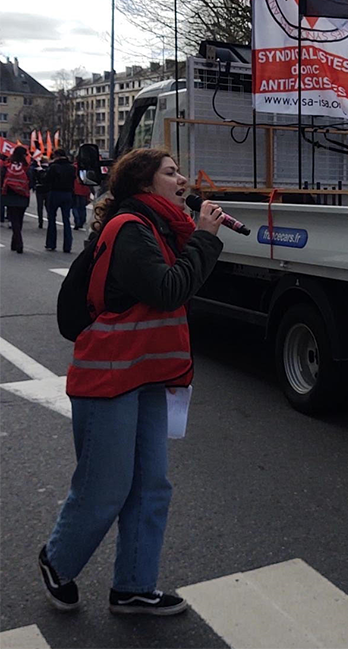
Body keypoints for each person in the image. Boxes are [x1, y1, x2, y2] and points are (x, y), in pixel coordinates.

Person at [39, 148, 225, 615]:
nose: (181, 179)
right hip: (110, 377)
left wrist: (199, 238)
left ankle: (134, 586)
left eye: (179, 172)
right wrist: (204, 238)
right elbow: (167, 290)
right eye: (170, 173)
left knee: (150, 485)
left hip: (146, 373)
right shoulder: (131, 228)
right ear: (144, 184)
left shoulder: (162, 228)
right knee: (104, 486)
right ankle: (57, 560)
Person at [0, 146, 31, 253]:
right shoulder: (26, 166)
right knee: (20, 219)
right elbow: (31, 178)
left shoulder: (7, 164)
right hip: (23, 194)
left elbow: (2, 176)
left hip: (10, 194)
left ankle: (17, 242)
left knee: (14, 220)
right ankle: (16, 242)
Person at [45, 148, 76, 253]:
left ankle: (51, 243)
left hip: (55, 193)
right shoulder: (72, 168)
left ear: (56, 156)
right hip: (67, 194)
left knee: (52, 219)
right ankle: (67, 245)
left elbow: (46, 179)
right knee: (66, 220)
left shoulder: (53, 167)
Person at [31, 152, 50, 229]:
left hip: (39, 189)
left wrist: (33, 187)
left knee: (40, 206)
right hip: (48, 189)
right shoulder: (50, 169)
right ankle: (50, 219)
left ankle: (40, 221)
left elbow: (33, 179)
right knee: (48, 206)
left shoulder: (37, 170)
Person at [72, 161, 92, 230]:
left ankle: (77, 221)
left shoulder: (74, 168)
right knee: (82, 207)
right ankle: (82, 221)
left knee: (75, 206)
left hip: (75, 189)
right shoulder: (87, 168)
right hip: (85, 189)